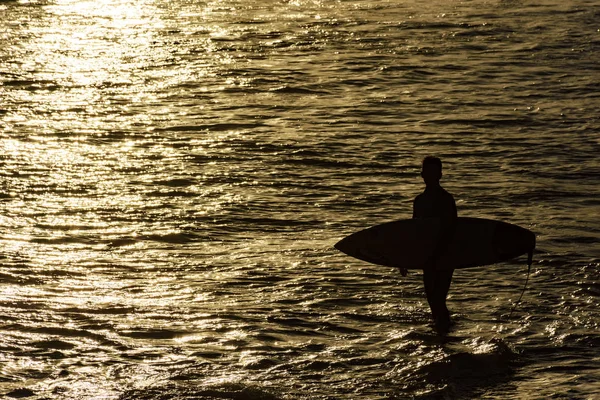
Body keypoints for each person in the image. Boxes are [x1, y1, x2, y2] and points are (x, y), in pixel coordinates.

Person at [403, 156, 457, 332]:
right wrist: (403, 260)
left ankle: (444, 336)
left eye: (434, 172)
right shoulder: (419, 201)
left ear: (440, 175)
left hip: (445, 258)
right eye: (428, 172)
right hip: (427, 259)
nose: (431, 176)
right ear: (422, 175)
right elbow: (413, 232)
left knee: (438, 300)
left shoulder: (447, 200)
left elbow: (454, 231)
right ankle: (444, 336)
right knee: (433, 303)